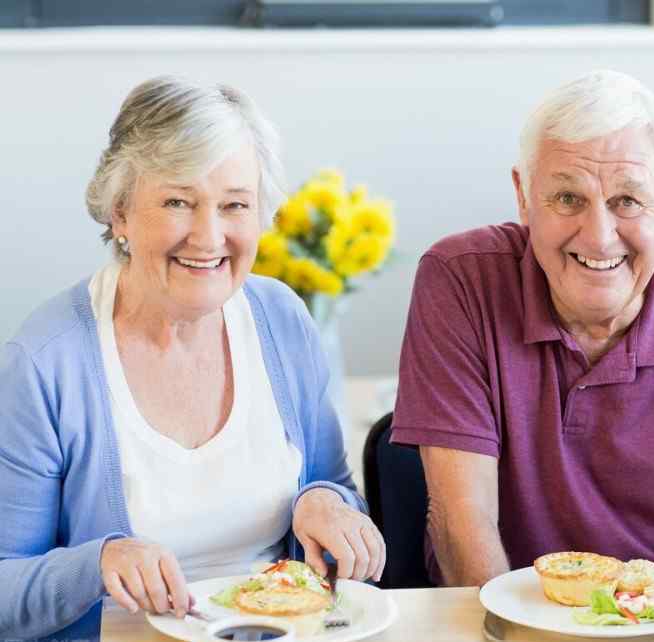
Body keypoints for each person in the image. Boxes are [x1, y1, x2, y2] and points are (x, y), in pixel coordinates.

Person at [391, 70, 654, 608]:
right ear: (523, 196)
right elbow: (460, 521)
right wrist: (514, 630)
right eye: (567, 197)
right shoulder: (460, 280)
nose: (598, 235)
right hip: (505, 616)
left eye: (628, 201)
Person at [0, 77, 384, 641]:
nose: (208, 237)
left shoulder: (282, 320)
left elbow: (332, 485)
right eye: (178, 201)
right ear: (120, 213)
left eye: (234, 205)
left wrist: (327, 504)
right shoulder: (45, 363)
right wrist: (98, 564)